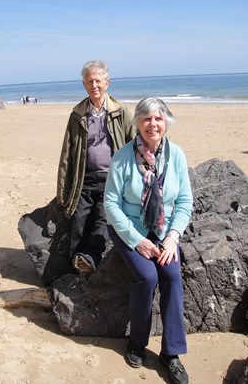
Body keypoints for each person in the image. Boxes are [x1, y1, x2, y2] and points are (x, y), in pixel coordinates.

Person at [103, 97, 193, 384]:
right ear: (138, 123)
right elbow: (111, 204)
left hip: (164, 230)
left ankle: (171, 353)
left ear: (166, 122)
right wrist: (137, 240)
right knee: (147, 277)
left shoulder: (176, 155)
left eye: (158, 118)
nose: (152, 124)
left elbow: (184, 201)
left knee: (172, 275)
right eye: (146, 119)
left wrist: (172, 239)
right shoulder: (123, 157)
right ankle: (138, 342)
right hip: (128, 228)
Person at [56, 60, 135, 275]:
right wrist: (62, 192)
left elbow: (135, 145)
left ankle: (90, 259)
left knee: (103, 218)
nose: (94, 85)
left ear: (107, 83)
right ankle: (74, 266)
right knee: (78, 221)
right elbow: (66, 156)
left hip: (113, 179)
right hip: (85, 179)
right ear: (84, 85)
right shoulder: (77, 115)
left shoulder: (121, 113)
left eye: (98, 81)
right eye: (90, 81)